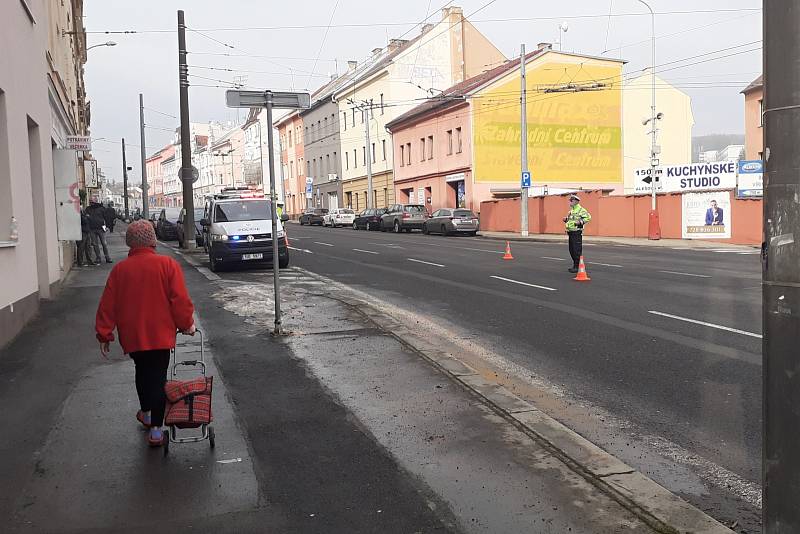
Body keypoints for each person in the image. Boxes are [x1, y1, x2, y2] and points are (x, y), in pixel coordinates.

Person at [95, 219, 196, 447]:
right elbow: (180, 301)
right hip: (160, 335)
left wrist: (104, 334)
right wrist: (186, 324)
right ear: (152, 240)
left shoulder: (120, 270)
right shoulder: (167, 265)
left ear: (130, 243)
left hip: (133, 336)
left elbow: (107, 305)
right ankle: (157, 431)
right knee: (158, 379)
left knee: (142, 371)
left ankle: (147, 414)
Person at [563, 194, 591, 273]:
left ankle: (577, 266)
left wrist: (579, 222)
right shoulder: (571, 211)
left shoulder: (580, 210)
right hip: (571, 232)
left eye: (571, 200)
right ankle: (575, 265)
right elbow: (570, 220)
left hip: (577, 232)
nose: (570, 202)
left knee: (576, 250)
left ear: (576, 201)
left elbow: (588, 217)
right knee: (571, 250)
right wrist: (565, 220)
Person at [86, 196, 112, 263]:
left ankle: (107, 257)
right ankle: (98, 258)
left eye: (92, 201)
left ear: (95, 201)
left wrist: (107, 226)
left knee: (104, 243)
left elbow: (106, 217)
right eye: (90, 201)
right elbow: (86, 218)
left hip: (101, 228)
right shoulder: (88, 209)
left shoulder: (101, 208)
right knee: (95, 244)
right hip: (92, 229)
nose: (91, 202)